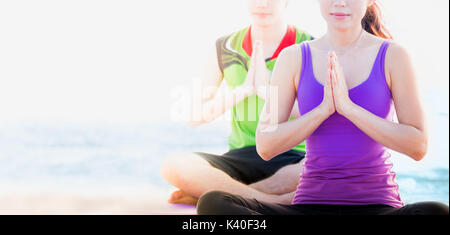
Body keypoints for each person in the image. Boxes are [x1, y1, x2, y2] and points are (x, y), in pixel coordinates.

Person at [196, 0, 449, 215]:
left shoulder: (394, 56)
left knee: (437, 211)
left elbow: (418, 146)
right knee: (213, 204)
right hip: (309, 206)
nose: (340, 2)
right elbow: (265, 145)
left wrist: (349, 108)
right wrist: (322, 111)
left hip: (376, 206)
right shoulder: (293, 57)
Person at [160, 0, 313, 205]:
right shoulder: (224, 46)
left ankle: (220, 195)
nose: (262, 4)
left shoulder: (309, 46)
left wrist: (267, 90)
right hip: (240, 157)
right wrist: (242, 91)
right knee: (174, 165)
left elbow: (316, 116)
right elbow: (194, 118)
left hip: (292, 157)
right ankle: (265, 199)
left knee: (321, 168)